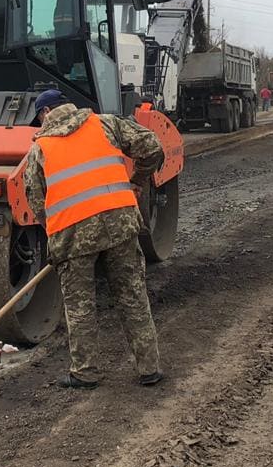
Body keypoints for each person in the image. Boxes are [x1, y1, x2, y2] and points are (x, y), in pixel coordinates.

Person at [23, 89, 166, 389]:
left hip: (73, 235)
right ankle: (149, 368)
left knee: (80, 305)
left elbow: (36, 201)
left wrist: (55, 235)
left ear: (44, 114)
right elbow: (152, 146)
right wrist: (137, 182)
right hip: (120, 225)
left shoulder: (41, 149)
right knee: (133, 296)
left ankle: (85, 372)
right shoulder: (105, 124)